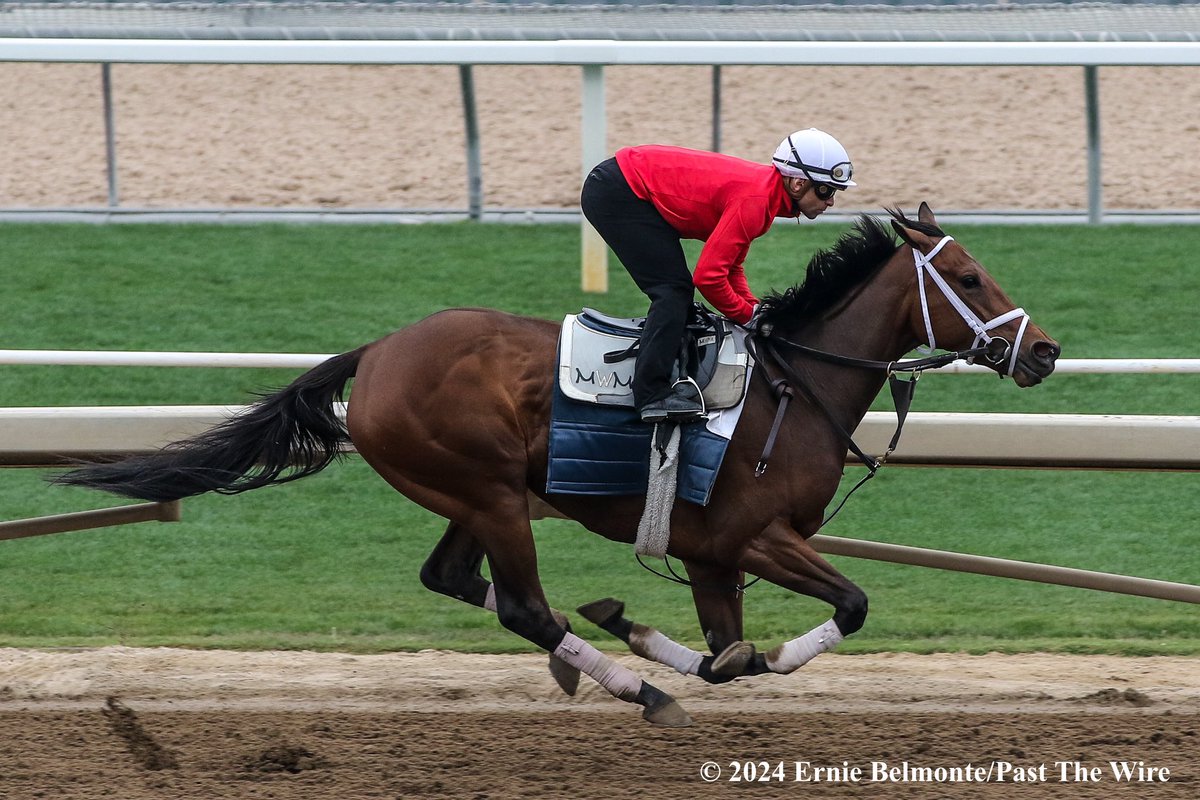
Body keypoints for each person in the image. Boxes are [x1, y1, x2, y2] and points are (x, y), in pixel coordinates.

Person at [580, 128, 856, 423]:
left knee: (677, 293)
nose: (830, 202)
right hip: (619, 190)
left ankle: (667, 377)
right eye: (826, 190)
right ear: (798, 183)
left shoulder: (765, 197)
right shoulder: (757, 200)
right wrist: (748, 317)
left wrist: (755, 311)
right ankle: (650, 395)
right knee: (673, 292)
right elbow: (708, 278)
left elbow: (731, 266)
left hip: (625, 183)